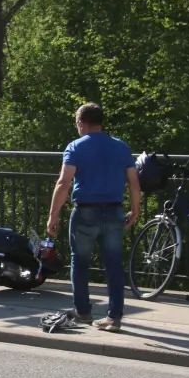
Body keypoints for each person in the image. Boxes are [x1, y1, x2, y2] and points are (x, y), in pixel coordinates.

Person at [46, 103, 141, 332]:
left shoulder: (75, 147)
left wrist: (53, 215)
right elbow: (133, 182)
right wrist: (135, 211)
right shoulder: (121, 147)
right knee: (113, 265)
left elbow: (64, 182)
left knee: (79, 262)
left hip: (86, 211)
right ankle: (114, 317)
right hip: (115, 210)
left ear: (81, 124)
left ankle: (83, 312)